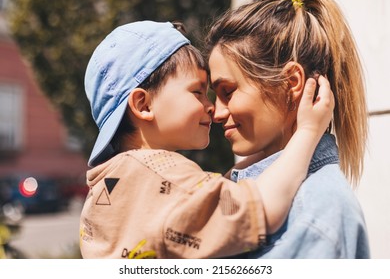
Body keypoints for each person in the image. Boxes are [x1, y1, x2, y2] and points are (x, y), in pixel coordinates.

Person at [79, 20, 334, 259]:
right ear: (143, 104)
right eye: (197, 92)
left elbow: (203, 203)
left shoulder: (112, 184)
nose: (211, 106)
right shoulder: (164, 175)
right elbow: (260, 211)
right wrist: (307, 132)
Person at [205, 0, 370, 258]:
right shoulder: (240, 186)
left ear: (290, 82)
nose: (217, 112)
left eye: (228, 91)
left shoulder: (316, 212)